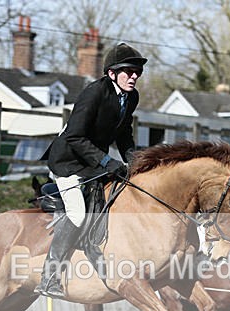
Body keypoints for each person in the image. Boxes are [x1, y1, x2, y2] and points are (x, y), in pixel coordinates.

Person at [35, 42, 147, 298]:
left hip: (92, 162)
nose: (134, 76)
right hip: (68, 161)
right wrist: (107, 162)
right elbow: (74, 136)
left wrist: (135, 161)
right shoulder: (94, 93)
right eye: (129, 71)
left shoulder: (131, 97)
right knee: (77, 214)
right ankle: (49, 277)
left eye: (137, 73)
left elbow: (124, 133)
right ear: (111, 73)